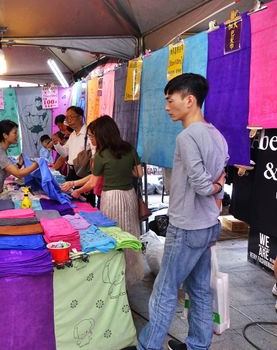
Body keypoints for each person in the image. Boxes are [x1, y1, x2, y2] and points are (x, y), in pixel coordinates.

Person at [138, 73, 228, 350]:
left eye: (170, 100)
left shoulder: (188, 137)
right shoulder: (216, 134)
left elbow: (204, 184)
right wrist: (217, 188)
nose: (166, 106)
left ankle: (148, 346)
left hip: (187, 227)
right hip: (207, 225)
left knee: (164, 290)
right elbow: (220, 176)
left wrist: (213, 187)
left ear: (189, 100)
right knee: (199, 290)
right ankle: (197, 346)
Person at [89, 115, 143, 286]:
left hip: (111, 197)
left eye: (93, 135)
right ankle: (131, 273)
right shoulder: (129, 148)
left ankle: (113, 275)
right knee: (129, 231)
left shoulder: (101, 154)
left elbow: (93, 182)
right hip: (128, 195)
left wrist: (75, 189)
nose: (92, 139)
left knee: (112, 234)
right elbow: (139, 173)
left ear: (101, 135)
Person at [53, 106, 96, 206]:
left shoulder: (88, 134)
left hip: (83, 173)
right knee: (72, 202)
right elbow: (64, 153)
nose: (68, 120)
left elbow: (94, 155)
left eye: (71, 117)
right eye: (67, 117)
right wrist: (57, 144)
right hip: (71, 172)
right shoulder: (72, 135)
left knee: (86, 204)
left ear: (80, 117)